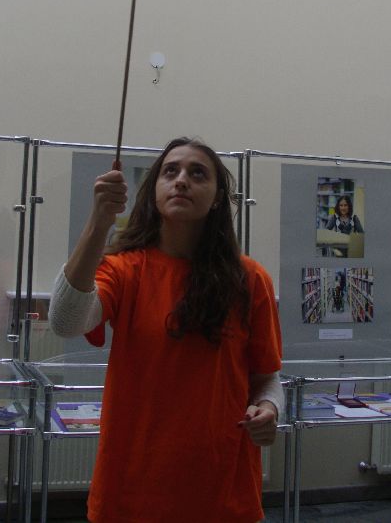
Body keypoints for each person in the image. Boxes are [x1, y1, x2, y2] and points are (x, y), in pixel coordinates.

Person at [49, 137, 283, 523]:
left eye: (198, 173)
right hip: (132, 494)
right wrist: (98, 223)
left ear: (218, 198)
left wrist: (270, 408)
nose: (181, 180)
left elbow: (266, 377)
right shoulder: (124, 269)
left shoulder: (250, 279)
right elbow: (65, 321)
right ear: (154, 190)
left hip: (223, 493)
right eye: (170, 171)